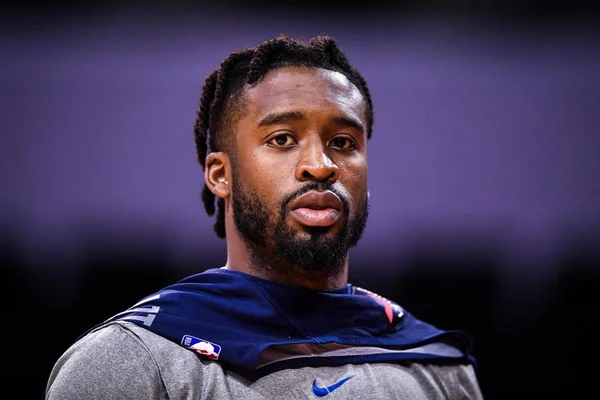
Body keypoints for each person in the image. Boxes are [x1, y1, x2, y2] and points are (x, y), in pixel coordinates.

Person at [45, 35, 483, 399]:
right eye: (282, 138)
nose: (321, 165)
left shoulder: (438, 368)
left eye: (344, 142)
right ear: (221, 174)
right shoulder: (130, 363)